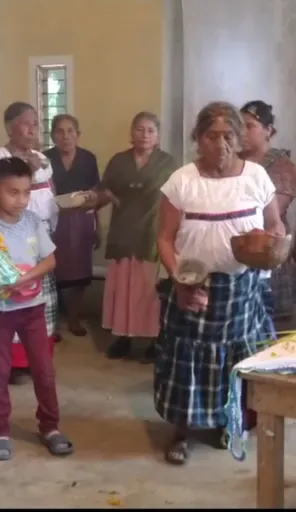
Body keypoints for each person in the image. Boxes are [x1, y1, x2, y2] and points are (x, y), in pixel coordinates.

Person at [154, 101, 283, 465]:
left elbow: (275, 225)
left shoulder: (256, 177)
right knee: (188, 358)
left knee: (234, 360)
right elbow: (164, 238)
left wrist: (273, 243)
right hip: (193, 284)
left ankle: (227, 421)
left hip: (241, 287)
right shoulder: (182, 181)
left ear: (240, 138)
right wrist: (180, 279)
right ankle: (182, 430)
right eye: (212, 136)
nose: (221, 144)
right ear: (198, 138)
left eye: (229, 136)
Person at [0, 156, 72, 461]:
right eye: (12, 192)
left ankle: (50, 427)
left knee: (44, 372)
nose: (21, 200)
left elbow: (50, 260)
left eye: (25, 192)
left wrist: (23, 278)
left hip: (33, 309)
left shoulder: (34, 221)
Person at [87, 112, 177, 363]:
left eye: (150, 130)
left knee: (149, 291)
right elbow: (104, 190)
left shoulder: (169, 163)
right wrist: (93, 199)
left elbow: (180, 198)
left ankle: (154, 340)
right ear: (131, 133)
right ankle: (123, 337)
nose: (144, 135)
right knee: (122, 289)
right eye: (139, 129)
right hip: (122, 233)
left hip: (152, 234)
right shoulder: (119, 161)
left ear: (157, 135)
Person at [0, 102, 58, 385]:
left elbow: (51, 192)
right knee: (12, 307)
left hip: (38, 240)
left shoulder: (41, 157)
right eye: (25, 123)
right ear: (9, 127)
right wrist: (29, 166)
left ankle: (34, 359)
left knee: (40, 304)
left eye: (36, 124)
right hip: (11, 244)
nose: (32, 129)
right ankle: (13, 364)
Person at [239, 100, 296, 322]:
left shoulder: (281, 165)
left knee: (271, 330)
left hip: (271, 253)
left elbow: (269, 215)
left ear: (268, 130)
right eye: (239, 125)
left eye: (249, 126)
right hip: (237, 251)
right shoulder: (233, 162)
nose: (242, 132)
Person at [44, 114, 100, 336]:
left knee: (80, 275)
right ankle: (54, 323)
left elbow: (95, 195)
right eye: (59, 131)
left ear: (78, 135)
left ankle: (75, 319)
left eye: (70, 131)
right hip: (53, 220)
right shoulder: (44, 159)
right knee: (53, 272)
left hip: (82, 222)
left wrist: (99, 229)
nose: (65, 136)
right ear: (52, 135)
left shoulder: (88, 158)